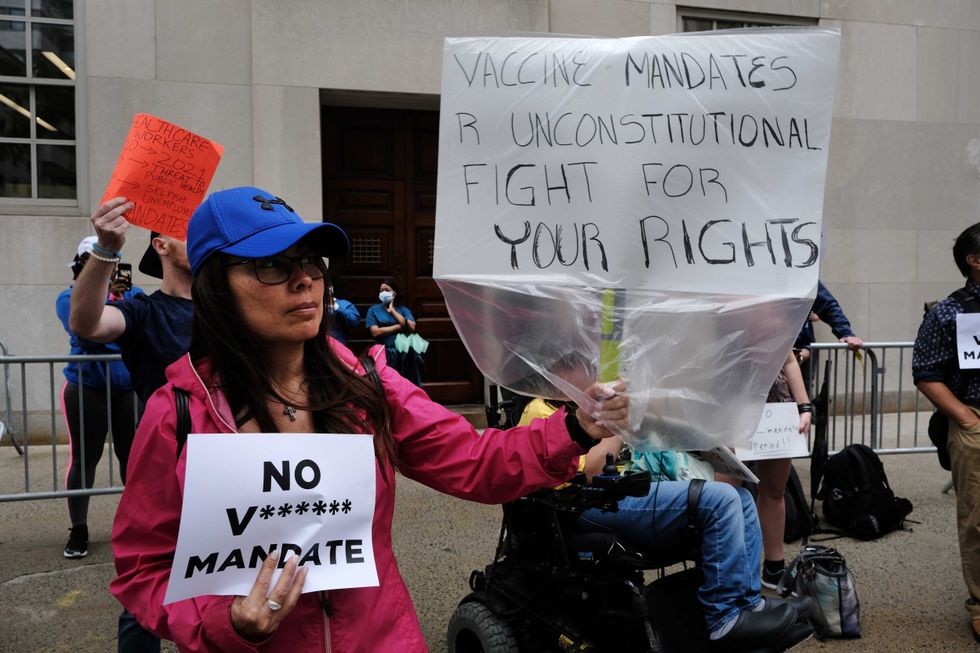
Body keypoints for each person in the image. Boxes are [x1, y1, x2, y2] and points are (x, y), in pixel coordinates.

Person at [109, 186, 628, 652]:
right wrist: (227, 623)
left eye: (312, 261)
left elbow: (475, 460)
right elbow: (143, 569)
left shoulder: (367, 387)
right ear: (216, 285)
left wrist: (575, 428)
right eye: (273, 265)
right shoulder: (177, 414)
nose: (305, 280)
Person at [519, 399, 813, 652]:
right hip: (586, 503)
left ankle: (747, 603)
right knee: (720, 499)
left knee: (741, 497)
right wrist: (618, 422)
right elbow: (594, 471)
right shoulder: (541, 410)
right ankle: (723, 618)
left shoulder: (596, 402)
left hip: (631, 489)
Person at [70, 199, 195, 653]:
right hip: (163, 476)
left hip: (229, 472)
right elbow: (87, 322)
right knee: (145, 599)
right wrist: (106, 248)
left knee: (226, 589)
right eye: (187, 229)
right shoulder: (146, 311)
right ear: (161, 244)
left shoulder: (234, 313)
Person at [914, 223, 980, 644]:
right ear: (974, 261)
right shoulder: (949, 312)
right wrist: (967, 419)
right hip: (974, 419)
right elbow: (925, 373)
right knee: (978, 518)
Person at [57, 236, 141, 559]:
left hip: (126, 388)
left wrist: (114, 309)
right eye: (97, 263)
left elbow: (136, 329)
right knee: (83, 461)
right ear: (83, 266)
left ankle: (134, 527)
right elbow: (85, 329)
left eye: (111, 262)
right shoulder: (68, 296)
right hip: (85, 387)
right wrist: (116, 319)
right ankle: (79, 529)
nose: (108, 269)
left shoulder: (133, 293)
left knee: (132, 460)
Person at [754, 352, 813, 590]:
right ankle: (726, 568)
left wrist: (804, 406)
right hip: (731, 403)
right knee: (725, 490)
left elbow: (788, 358)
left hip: (775, 407)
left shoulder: (777, 315)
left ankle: (774, 567)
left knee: (774, 489)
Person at [794, 281, 864, 383]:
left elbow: (827, 304)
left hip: (799, 350)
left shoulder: (800, 276)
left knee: (803, 388)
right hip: (784, 353)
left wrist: (845, 332)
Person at [365, 276, 422, 385]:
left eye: (387, 290)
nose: (383, 293)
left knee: (406, 382)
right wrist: (399, 326)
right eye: (381, 291)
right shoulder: (373, 310)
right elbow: (376, 332)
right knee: (387, 383)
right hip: (383, 352)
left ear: (394, 293)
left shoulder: (403, 310)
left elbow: (411, 327)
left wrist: (393, 312)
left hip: (404, 354)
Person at [327, 280, 360, 345]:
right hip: (320, 346)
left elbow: (354, 322)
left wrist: (338, 309)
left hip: (339, 343)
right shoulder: (316, 306)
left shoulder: (344, 304)